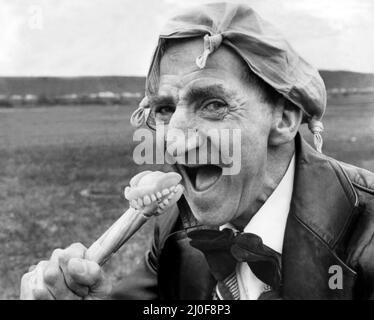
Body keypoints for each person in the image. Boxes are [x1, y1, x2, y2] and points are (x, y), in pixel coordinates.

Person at [20, 2, 374, 300]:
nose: (175, 140)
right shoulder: (175, 226)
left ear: (283, 117)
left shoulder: (367, 236)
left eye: (213, 105)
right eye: (164, 109)